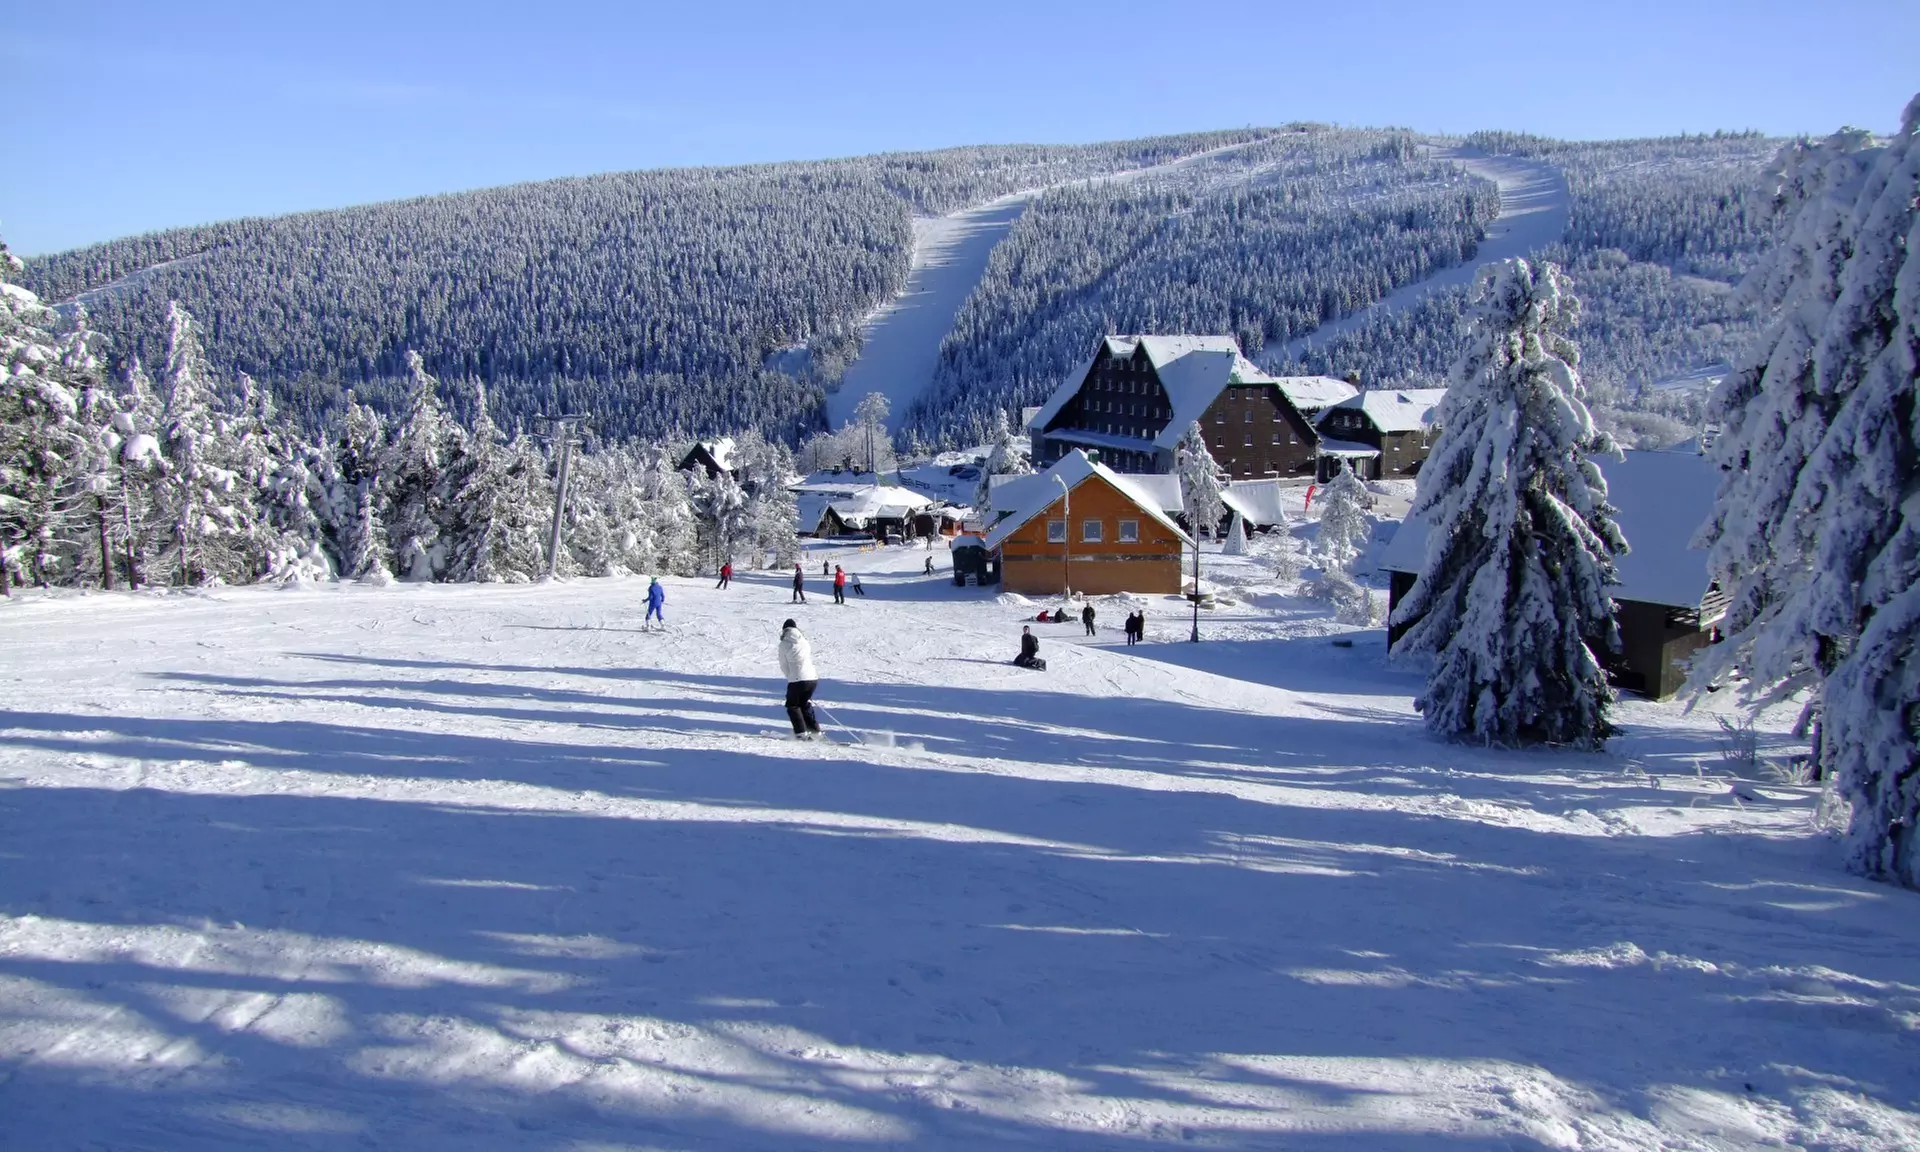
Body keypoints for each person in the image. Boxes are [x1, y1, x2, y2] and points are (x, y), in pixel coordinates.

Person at [777, 619, 822, 739]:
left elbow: (783, 664)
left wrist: (790, 677)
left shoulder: (784, 643)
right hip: (812, 678)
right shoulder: (804, 641)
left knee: (793, 705)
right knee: (804, 703)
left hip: (797, 678)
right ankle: (814, 731)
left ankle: (801, 733)